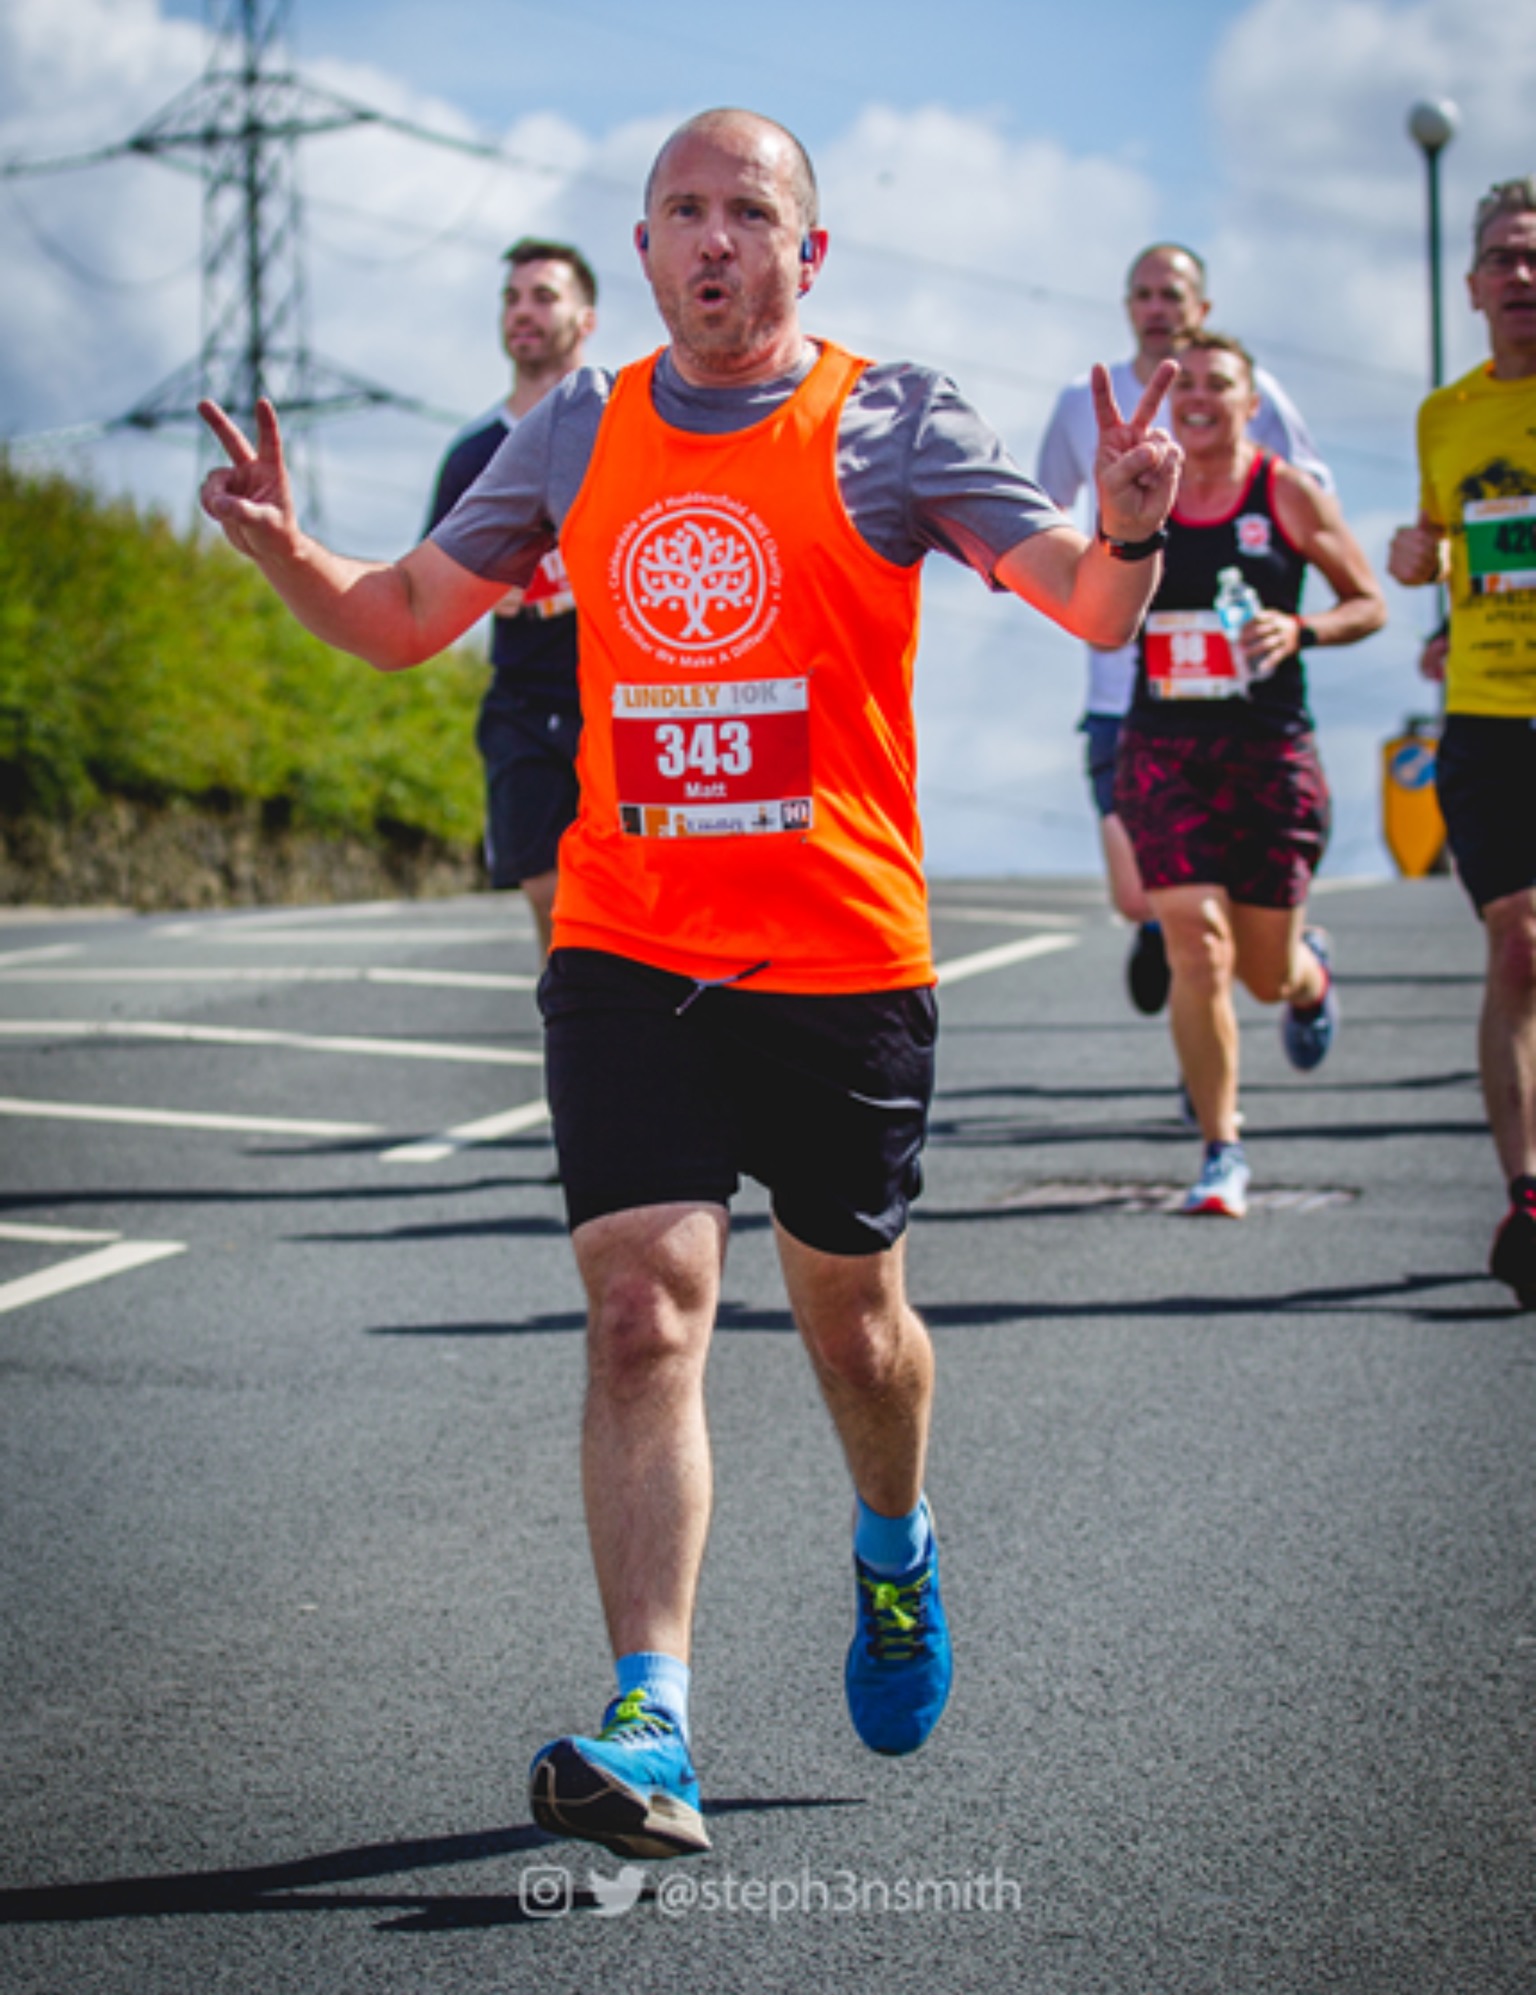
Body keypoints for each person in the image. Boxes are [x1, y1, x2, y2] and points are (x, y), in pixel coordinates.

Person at [197, 107, 1182, 1859]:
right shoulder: (578, 423)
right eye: (682, 212)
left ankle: (894, 1544)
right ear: (643, 251)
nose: (715, 239)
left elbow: (1087, 609)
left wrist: (1128, 533)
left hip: (842, 954)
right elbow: (412, 608)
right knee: (645, 1304)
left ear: (811, 252)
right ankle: (652, 1714)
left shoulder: (893, 415)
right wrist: (287, 548)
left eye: (750, 212)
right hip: (629, 940)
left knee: (852, 1327)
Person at [1114, 330, 1385, 1217]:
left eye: (1217, 384)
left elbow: (1367, 601)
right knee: (1195, 941)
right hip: (1164, 747)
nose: (1197, 397)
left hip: (1269, 751)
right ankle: (1221, 1150)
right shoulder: (1147, 487)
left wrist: (1298, 629)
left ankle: (1308, 976)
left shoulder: (1286, 492)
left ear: (1250, 401)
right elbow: (1097, 593)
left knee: (1264, 975)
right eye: (1182, 382)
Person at [1037, 244, 1333, 1021]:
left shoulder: (1242, 388)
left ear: (1200, 308)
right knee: (1141, 896)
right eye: (1143, 294)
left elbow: (1310, 490)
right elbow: (1040, 511)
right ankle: (1178, 944)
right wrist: (1102, 571)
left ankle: (1222, 1011)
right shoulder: (1084, 400)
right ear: (1127, 306)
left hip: (1235, 695)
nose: (1157, 307)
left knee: (1205, 926)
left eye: (1172, 294)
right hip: (1121, 686)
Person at [1389, 178, 1536, 1311]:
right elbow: (1455, 544)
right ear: (1474, 285)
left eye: (1535, 256)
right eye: (1503, 258)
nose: (1521, 275)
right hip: (1486, 714)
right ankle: (1527, 1197)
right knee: (1517, 943)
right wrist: (1419, 572)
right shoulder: (1447, 415)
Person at [424, 237, 598, 955]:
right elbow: (432, 584)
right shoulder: (473, 455)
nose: (523, 312)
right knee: (547, 890)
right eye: (512, 297)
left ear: (586, 318)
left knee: (641, 890)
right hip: (523, 700)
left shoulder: (625, 429)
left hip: (619, 698)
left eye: (544, 296)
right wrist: (479, 592)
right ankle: (577, 1037)